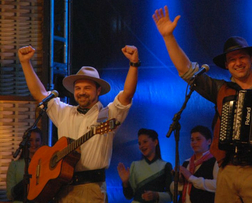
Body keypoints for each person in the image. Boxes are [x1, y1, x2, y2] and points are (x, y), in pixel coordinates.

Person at [152, 6, 252, 203]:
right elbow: (187, 71)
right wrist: (168, 37)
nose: (237, 63)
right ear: (226, 65)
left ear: (251, 59)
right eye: (231, 60)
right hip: (226, 172)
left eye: (242, 57)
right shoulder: (221, 89)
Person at [18, 44, 139, 203]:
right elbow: (39, 94)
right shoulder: (64, 112)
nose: (82, 92)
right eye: (78, 88)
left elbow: (128, 94)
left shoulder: (108, 115)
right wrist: (25, 63)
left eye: (87, 88)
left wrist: (134, 64)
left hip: (91, 189)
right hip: (61, 189)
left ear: (98, 91)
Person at [117, 128, 173, 203]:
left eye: (145, 142)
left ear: (155, 142)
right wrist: (125, 183)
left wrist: (156, 195)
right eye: (139, 143)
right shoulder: (135, 165)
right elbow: (129, 196)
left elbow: (171, 196)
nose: (142, 146)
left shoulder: (165, 166)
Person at [171, 125, 218, 203]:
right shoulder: (187, 162)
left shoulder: (215, 161)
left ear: (209, 141)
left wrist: (190, 177)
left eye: (198, 139)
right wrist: (179, 181)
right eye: (192, 140)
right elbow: (177, 189)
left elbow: (217, 186)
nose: (194, 142)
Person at [6, 128, 43, 203]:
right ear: (25, 143)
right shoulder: (15, 165)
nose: (34, 143)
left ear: (41, 142)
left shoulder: (45, 165)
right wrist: (24, 183)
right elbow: (10, 195)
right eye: (30, 140)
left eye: (37, 140)